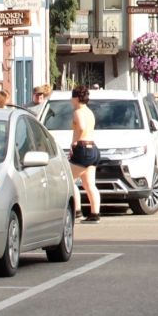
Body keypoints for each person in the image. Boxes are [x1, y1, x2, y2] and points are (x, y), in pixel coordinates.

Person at [68, 85, 101, 222]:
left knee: (70, 181)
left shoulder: (78, 112)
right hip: (93, 148)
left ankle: (77, 210)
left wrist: (74, 142)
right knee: (89, 184)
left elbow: (81, 127)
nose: (70, 100)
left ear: (76, 98)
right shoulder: (89, 112)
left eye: (72, 97)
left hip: (82, 148)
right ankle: (94, 214)